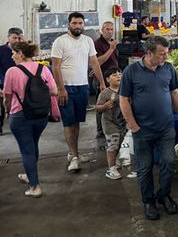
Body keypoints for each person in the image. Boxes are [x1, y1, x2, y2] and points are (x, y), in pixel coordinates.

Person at [119, 36, 178, 221]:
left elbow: (174, 93)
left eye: (167, 53)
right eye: (161, 54)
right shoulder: (131, 71)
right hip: (142, 130)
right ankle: (148, 201)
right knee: (144, 167)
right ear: (149, 53)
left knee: (169, 162)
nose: (165, 57)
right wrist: (133, 125)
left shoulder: (168, 68)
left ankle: (164, 195)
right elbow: (123, 99)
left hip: (165, 128)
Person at [51, 12, 106, 172]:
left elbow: (94, 63)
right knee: (68, 123)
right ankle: (74, 156)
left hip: (82, 87)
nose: (77, 26)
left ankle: (73, 152)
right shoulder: (60, 42)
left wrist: (102, 82)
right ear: (68, 24)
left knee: (76, 123)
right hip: (66, 88)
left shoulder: (88, 40)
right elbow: (55, 66)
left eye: (80, 23)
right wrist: (60, 89)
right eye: (74, 23)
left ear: (83, 25)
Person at [3, 42, 58, 197]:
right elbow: (54, 91)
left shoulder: (12, 71)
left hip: (20, 116)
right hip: (41, 115)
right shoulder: (43, 69)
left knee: (26, 150)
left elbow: (7, 98)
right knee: (33, 145)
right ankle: (30, 174)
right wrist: (38, 92)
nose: (12, 56)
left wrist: (8, 112)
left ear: (20, 53)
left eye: (13, 53)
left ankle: (35, 187)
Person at [96, 67, 135, 180]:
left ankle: (116, 161)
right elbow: (98, 108)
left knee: (121, 142)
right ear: (108, 79)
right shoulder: (105, 93)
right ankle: (111, 168)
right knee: (113, 144)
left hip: (123, 124)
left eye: (120, 73)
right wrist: (104, 106)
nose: (118, 76)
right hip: (110, 124)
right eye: (114, 75)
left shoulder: (126, 91)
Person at [93, 22, 119, 139]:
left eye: (111, 29)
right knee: (101, 104)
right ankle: (100, 130)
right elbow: (97, 61)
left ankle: (112, 125)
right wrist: (111, 49)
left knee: (112, 104)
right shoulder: (97, 44)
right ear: (102, 30)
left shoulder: (112, 42)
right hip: (102, 78)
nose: (109, 31)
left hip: (113, 78)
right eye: (107, 29)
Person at [0, 27, 23, 135]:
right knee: (2, 106)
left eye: (19, 38)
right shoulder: (1, 50)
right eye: (14, 38)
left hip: (20, 83)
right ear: (8, 37)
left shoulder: (23, 51)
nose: (17, 40)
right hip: (3, 82)